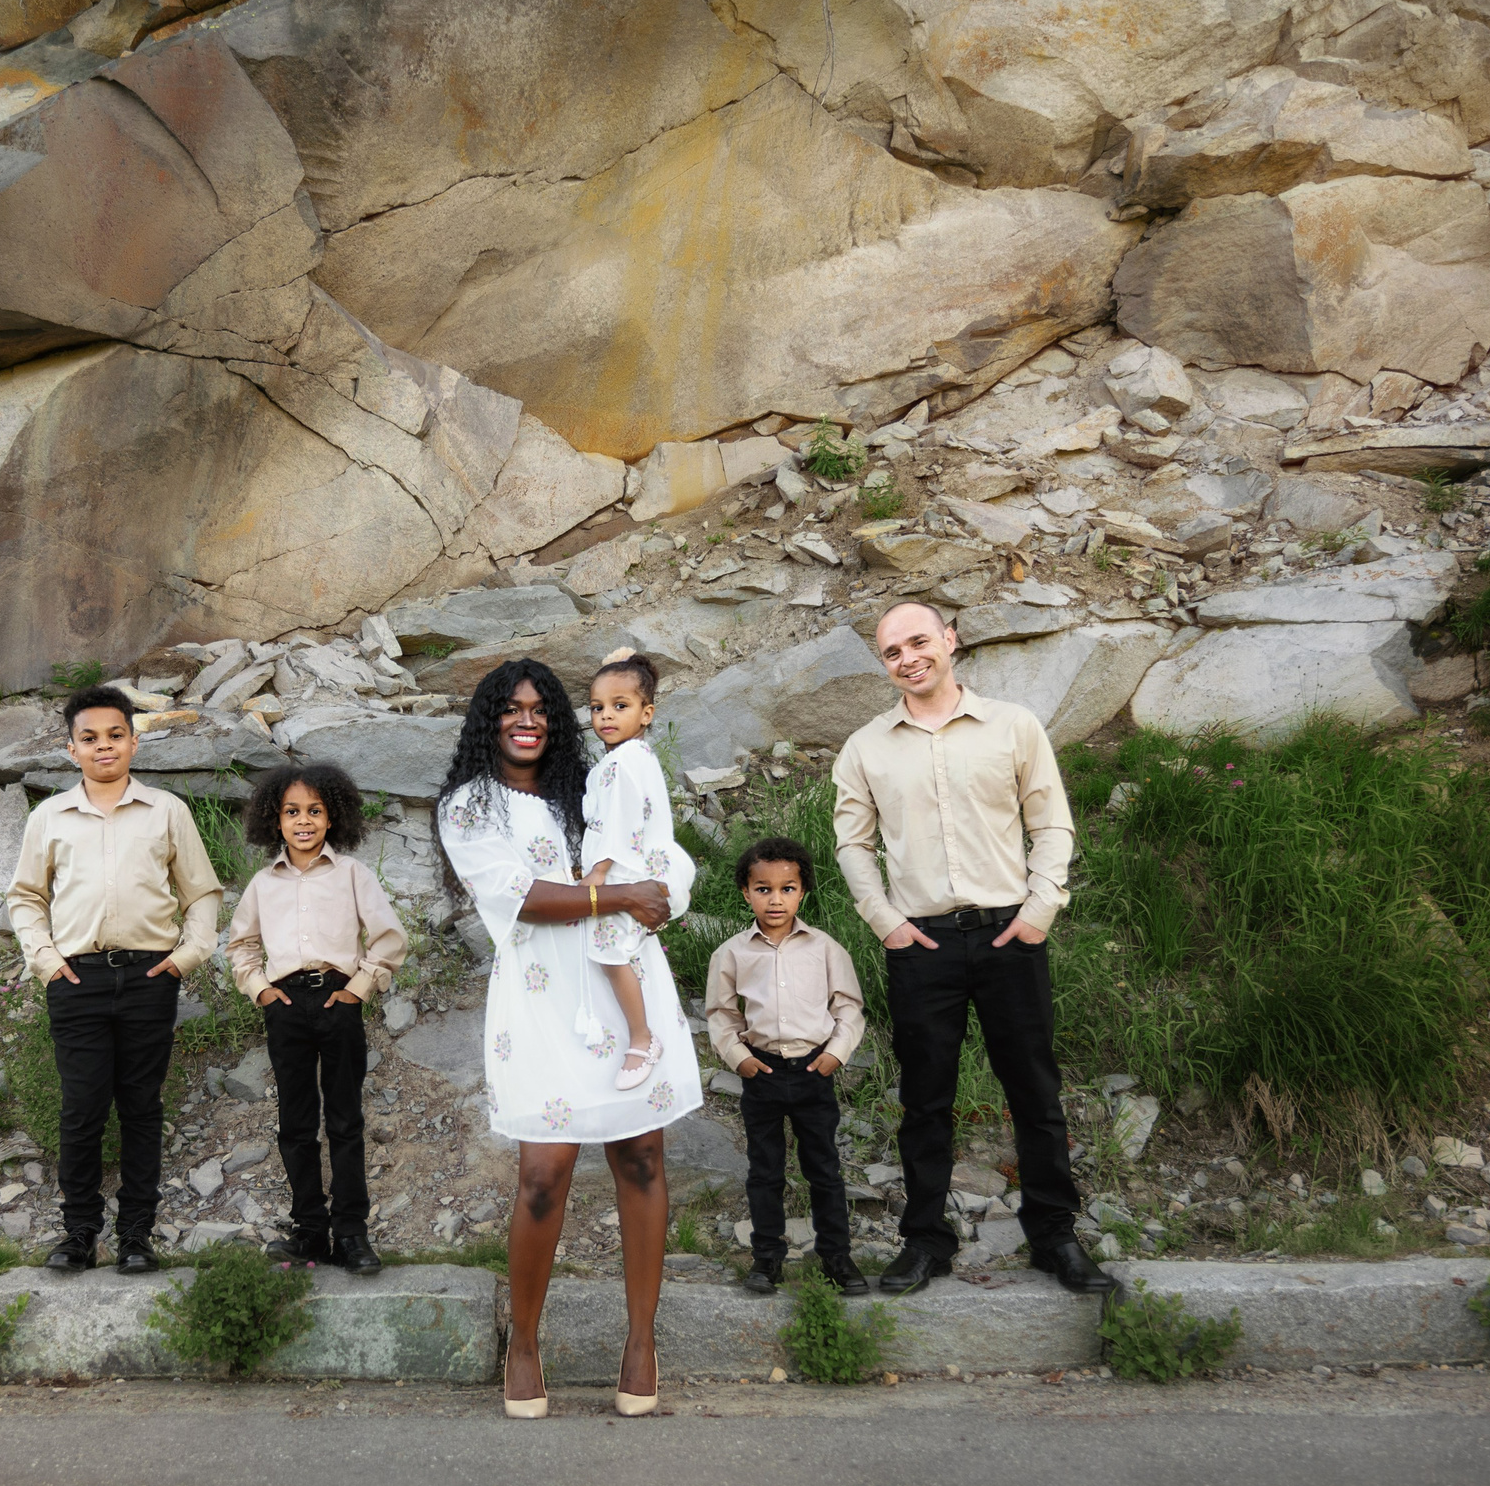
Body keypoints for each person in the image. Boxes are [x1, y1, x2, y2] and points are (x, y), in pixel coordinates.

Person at [433, 658, 696, 1418]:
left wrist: (665, 894)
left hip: (623, 988)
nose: (528, 719)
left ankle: (641, 1340)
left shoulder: (594, 786)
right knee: (544, 1173)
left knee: (641, 1156)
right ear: (492, 718)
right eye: (512, 708)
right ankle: (523, 1342)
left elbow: (662, 849)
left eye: (542, 708)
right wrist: (620, 892)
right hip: (542, 999)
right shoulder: (469, 806)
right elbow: (520, 897)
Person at [831, 603, 1115, 1298]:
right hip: (920, 944)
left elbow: (1051, 821)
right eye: (893, 650)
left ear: (950, 641)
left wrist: (1041, 908)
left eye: (919, 640)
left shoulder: (1013, 726)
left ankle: (1054, 1238)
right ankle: (926, 1242)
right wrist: (886, 922)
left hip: (1009, 935)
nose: (908, 657)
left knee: (1036, 1092)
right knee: (926, 1100)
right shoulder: (866, 746)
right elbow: (851, 844)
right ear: (885, 662)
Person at [7, 684, 224, 1276]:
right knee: (81, 1108)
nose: (104, 747)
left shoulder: (167, 811)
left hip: (149, 976)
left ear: (133, 739)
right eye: (89, 738)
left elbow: (201, 890)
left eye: (115, 735)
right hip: (75, 979)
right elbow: (26, 896)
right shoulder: (49, 816)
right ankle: (78, 1234)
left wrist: (188, 954)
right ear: (71, 748)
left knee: (140, 1106)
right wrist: (48, 962)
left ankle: (135, 1236)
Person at [226, 762, 408, 1277]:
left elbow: (389, 936)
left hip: (338, 1000)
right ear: (274, 820)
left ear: (333, 818)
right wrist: (260, 989)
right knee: (296, 1122)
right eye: (291, 812)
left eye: (314, 811)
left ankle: (351, 1233)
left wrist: (358, 988)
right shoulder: (263, 883)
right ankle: (310, 1232)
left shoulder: (353, 874)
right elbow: (240, 943)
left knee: (346, 1120)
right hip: (285, 1006)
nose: (303, 821)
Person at [703, 835, 867, 1297]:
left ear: (803, 891)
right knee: (765, 1170)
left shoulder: (825, 948)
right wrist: (742, 1060)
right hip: (765, 1074)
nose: (775, 899)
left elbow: (849, 1006)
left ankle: (836, 1256)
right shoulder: (733, 953)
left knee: (824, 1167)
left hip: (816, 1072)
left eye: (787, 888)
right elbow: (720, 1014)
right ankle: (767, 1259)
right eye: (763, 889)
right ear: (746, 892)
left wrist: (835, 1053)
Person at [578, 648, 694, 1090]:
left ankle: (642, 1039)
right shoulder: (633, 755)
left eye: (620, 706)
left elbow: (621, 821)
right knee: (623, 953)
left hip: (629, 871)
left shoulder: (622, 762)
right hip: (647, 866)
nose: (606, 716)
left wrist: (598, 872)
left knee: (608, 954)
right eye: (598, 707)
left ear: (647, 714)